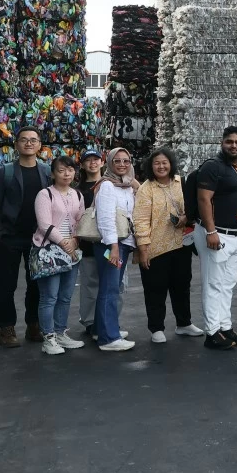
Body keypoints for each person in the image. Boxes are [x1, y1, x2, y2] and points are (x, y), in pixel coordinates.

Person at [0, 125, 52, 347]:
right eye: (24, 139)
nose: (29, 143)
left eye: (33, 140)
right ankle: (6, 329)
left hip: (38, 238)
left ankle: (34, 325)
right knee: (6, 285)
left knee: (36, 284)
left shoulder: (46, 171)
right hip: (10, 238)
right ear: (16, 144)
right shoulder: (5, 172)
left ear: (40, 145)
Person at [134, 148, 203, 343]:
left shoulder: (181, 183)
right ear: (151, 166)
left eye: (165, 162)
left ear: (171, 164)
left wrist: (186, 217)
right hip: (155, 248)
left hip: (181, 244)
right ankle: (156, 328)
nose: (161, 166)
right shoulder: (146, 189)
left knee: (182, 285)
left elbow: (193, 206)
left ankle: (184, 323)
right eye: (157, 163)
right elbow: (140, 221)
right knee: (155, 288)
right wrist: (143, 248)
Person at [194, 126, 237, 351]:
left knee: (227, 285)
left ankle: (225, 327)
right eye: (230, 141)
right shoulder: (212, 167)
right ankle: (211, 332)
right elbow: (203, 200)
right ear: (222, 143)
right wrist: (210, 231)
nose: (234, 146)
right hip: (217, 234)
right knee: (213, 284)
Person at [31, 155, 85, 355]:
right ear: (53, 173)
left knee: (65, 296)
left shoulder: (78, 195)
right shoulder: (45, 195)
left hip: (71, 251)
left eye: (70, 170)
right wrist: (64, 242)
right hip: (49, 251)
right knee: (49, 297)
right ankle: (49, 338)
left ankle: (61, 332)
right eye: (61, 170)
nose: (66, 173)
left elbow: (82, 221)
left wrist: (75, 241)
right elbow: (44, 224)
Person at [93, 147, 138, 352]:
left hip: (123, 243)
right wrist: (113, 247)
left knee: (112, 287)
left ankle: (102, 329)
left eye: (126, 161)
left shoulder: (126, 186)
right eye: (117, 161)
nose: (121, 165)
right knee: (109, 288)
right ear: (109, 163)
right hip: (112, 244)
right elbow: (105, 219)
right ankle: (108, 338)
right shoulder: (107, 186)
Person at [75, 150, 112, 340]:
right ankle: (90, 322)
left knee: (115, 284)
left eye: (96, 159)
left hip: (111, 244)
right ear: (82, 165)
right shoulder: (78, 190)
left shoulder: (111, 184)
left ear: (102, 162)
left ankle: (110, 321)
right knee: (90, 284)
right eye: (87, 160)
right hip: (88, 245)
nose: (92, 163)